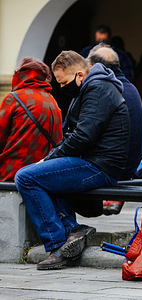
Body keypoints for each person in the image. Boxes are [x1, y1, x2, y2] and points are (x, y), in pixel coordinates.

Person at [14, 50, 130, 270]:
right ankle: (73, 230)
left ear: (79, 74)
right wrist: (50, 160)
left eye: (63, 81)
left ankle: (57, 246)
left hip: (99, 166)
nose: (61, 87)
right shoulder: (92, 87)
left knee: (26, 178)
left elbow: (83, 135)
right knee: (40, 176)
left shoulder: (98, 88)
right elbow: (74, 135)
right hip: (95, 162)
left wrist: (49, 159)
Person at [86, 43, 142, 215]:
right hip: (129, 167)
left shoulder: (106, 89)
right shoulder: (131, 88)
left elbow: (87, 132)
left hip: (112, 171)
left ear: (93, 66)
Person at [0, 58, 62, 181]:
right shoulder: (53, 102)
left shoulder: (14, 98)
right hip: (43, 175)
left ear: (20, 74)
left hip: (13, 173)